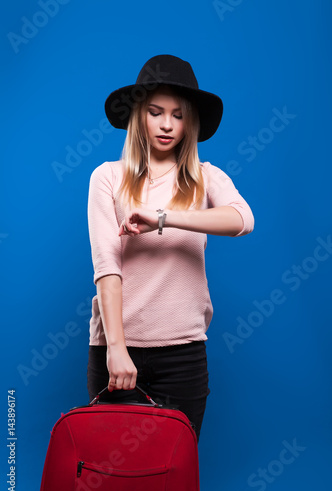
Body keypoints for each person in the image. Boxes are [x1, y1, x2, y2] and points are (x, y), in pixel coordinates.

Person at [86, 54, 255, 441]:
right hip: (116, 349)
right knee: (111, 475)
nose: (166, 125)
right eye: (156, 112)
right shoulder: (107, 177)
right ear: (139, 116)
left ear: (189, 121)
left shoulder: (205, 177)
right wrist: (116, 349)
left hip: (184, 355)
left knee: (172, 472)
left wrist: (163, 216)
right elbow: (107, 266)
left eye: (177, 115)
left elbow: (243, 220)